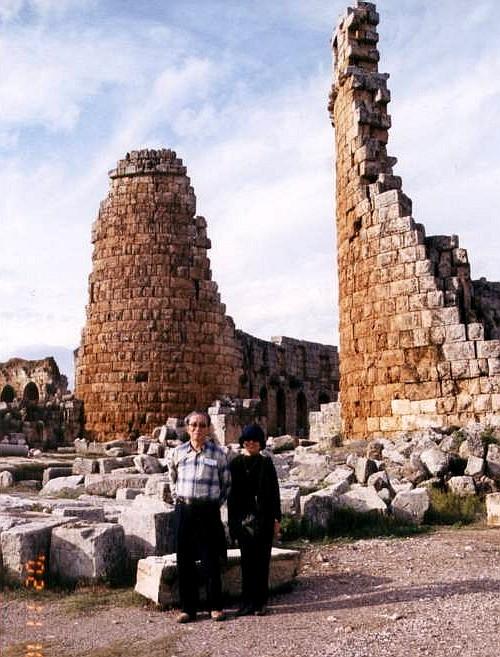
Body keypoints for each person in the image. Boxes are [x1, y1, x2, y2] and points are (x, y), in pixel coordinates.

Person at [169, 410, 230, 623]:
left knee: (210, 558)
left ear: (208, 428)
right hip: (184, 510)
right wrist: (179, 499)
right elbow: (172, 479)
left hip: (208, 511)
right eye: (194, 425)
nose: (198, 429)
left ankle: (215, 606)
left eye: (202, 425)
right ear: (187, 428)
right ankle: (188, 608)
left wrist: (213, 504)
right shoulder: (178, 453)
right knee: (184, 559)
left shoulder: (218, 454)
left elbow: (226, 484)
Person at [228, 423, 281, 616]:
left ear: (260, 443)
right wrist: (232, 524)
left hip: (264, 519)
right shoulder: (235, 464)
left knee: (262, 561)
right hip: (243, 521)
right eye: (248, 440)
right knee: (247, 562)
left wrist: (277, 519)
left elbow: (274, 492)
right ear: (243, 442)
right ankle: (247, 602)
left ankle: (260, 602)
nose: (251, 443)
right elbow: (232, 497)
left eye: (255, 440)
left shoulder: (266, 463)